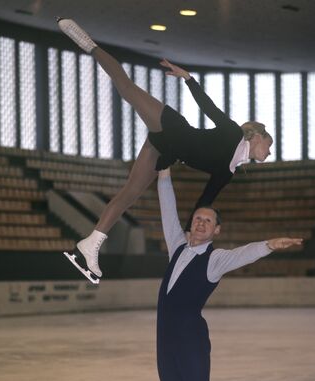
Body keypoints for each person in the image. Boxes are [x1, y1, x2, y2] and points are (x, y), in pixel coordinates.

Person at [57, 18, 273, 284]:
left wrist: (187, 234)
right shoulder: (232, 134)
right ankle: (89, 44)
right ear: (258, 136)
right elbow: (210, 108)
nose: (269, 153)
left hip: (164, 151)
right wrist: (188, 79)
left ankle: (91, 244)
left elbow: (204, 202)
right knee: (127, 88)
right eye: (269, 145)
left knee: (130, 193)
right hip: (172, 127)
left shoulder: (228, 172)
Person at [155, 168, 302, 381]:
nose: (201, 223)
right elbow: (167, 210)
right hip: (164, 343)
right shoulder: (176, 246)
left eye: (208, 221)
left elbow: (242, 254)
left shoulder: (215, 259)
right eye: (197, 218)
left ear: (216, 230)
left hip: (191, 341)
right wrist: (164, 176)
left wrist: (269, 245)